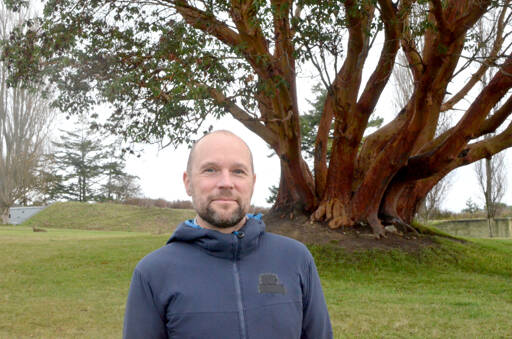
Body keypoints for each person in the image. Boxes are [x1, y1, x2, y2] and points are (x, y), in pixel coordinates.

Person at [123, 130, 333, 339]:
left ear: (252, 182)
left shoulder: (295, 259)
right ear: (188, 182)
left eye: (238, 171)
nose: (225, 182)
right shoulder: (153, 273)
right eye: (210, 170)